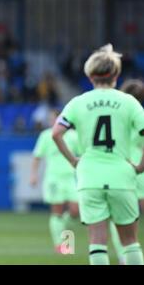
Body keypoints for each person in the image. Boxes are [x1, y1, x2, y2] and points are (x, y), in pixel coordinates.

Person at [52, 44, 144, 265]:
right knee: (130, 241)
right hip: (121, 176)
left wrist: (74, 160)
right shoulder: (129, 102)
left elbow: (56, 134)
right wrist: (140, 166)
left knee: (97, 241)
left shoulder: (78, 102)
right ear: (116, 74)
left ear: (90, 75)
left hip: (90, 176)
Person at [30, 108, 79, 254]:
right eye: (51, 119)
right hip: (54, 178)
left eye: (55, 119)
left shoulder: (73, 136)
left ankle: (62, 232)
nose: (52, 121)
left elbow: (82, 152)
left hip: (71, 177)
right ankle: (62, 245)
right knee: (57, 211)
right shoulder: (46, 135)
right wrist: (33, 175)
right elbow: (37, 156)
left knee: (75, 211)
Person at [109, 78, 144, 264]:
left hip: (121, 169)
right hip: (140, 170)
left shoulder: (115, 117)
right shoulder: (140, 115)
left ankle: (125, 256)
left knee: (121, 219)